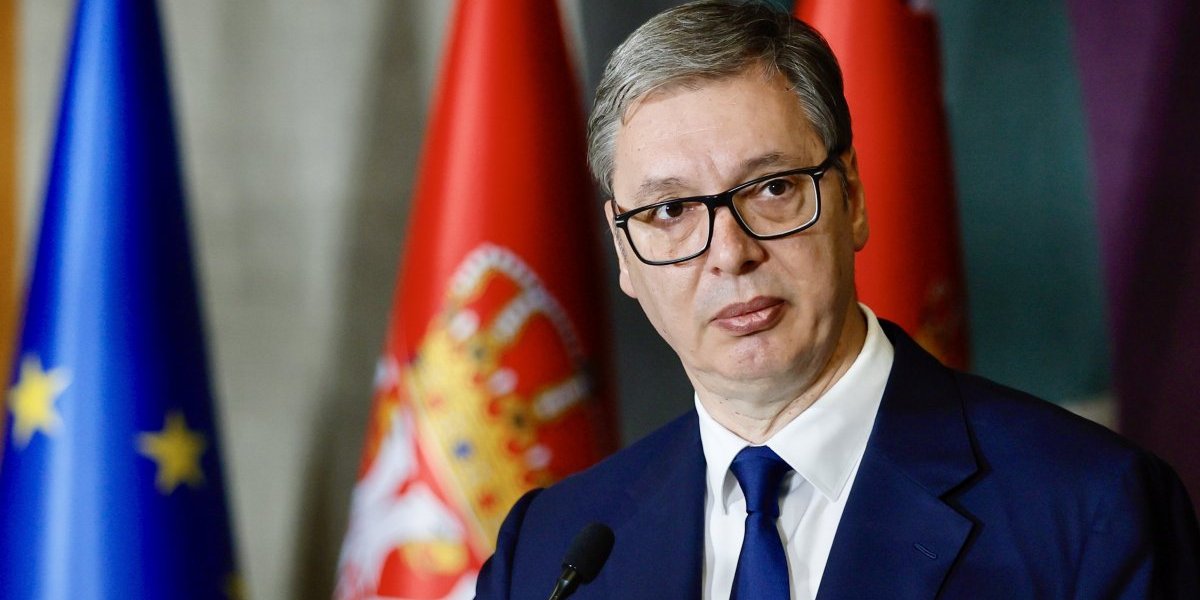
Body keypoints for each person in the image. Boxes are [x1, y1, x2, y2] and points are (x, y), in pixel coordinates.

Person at [475, 1, 1200, 598]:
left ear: (850, 197)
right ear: (623, 250)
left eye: (772, 188)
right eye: (671, 211)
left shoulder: (1090, 510)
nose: (730, 253)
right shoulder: (547, 551)